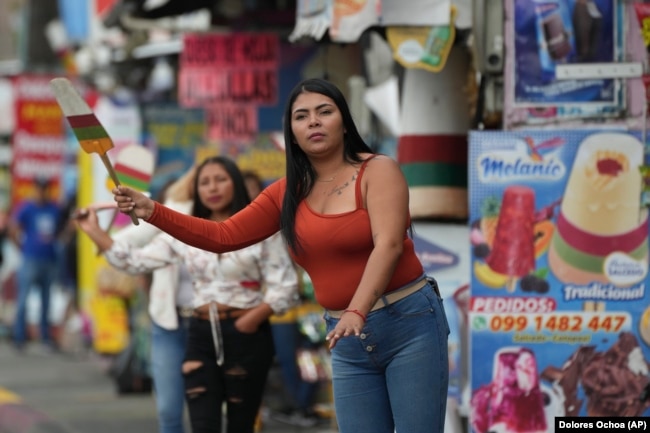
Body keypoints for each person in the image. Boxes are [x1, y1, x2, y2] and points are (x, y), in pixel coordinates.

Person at [108, 78, 451, 433]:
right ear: (292, 132)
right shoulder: (287, 192)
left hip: (408, 322)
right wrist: (152, 210)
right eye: (301, 116)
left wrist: (357, 309)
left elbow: (390, 245)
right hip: (345, 336)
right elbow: (222, 236)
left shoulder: (378, 170)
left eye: (324, 112)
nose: (313, 122)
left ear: (345, 123)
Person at [74, 156, 299, 433]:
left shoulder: (261, 229)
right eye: (204, 182)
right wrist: (94, 231)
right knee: (202, 424)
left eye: (221, 179)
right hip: (200, 334)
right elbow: (134, 261)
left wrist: (252, 319)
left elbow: (286, 286)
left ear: (236, 183)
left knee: (242, 424)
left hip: (247, 335)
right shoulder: (187, 230)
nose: (212, 188)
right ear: (196, 190)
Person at [109, 168, 196, 433]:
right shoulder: (165, 233)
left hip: (214, 324)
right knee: (169, 409)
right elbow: (125, 250)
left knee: (209, 411)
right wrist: (98, 235)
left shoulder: (222, 227)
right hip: (168, 321)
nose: (213, 188)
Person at [8, 177, 64, 352]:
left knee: (46, 301)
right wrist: (21, 247)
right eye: (38, 189)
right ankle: (19, 337)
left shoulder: (54, 208)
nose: (41, 193)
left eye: (43, 189)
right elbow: (13, 227)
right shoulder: (27, 207)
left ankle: (45, 338)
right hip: (30, 259)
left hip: (49, 259)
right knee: (23, 299)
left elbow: (61, 230)